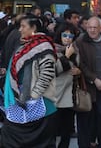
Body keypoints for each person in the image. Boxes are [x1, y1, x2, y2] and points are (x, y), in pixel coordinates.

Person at [1, 15, 57, 147]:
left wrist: (33, 96)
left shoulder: (43, 46)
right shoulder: (26, 44)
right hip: (20, 98)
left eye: (23, 26)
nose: (20, 29)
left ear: (34, 28)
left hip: (36, 102)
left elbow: (47, 74)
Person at [76, 17, 101, 148]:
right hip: (88, 87)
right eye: (89, 27)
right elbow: (81, 64)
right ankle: (86, 144)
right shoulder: (81, 42)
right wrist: (94, 79)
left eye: (94, 27)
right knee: (86, 118)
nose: (92, 30)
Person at [54, 22, 81, 148]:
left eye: (70, 36)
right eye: (64, 35)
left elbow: (79, 66)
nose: (67, 38)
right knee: (53, 130)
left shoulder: (74, 50)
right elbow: (55, 70)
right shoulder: (52, 50)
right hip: (56, 95)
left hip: (70, 96)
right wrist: (66, 56)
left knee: (67, 131)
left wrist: (78, 71)